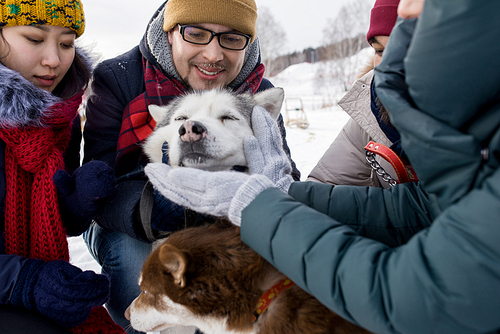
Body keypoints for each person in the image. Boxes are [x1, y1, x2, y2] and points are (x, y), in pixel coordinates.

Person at [144, 0, 500, 332]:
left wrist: (260, 204)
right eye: (378, 49)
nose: (213, 52)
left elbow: (417, 298)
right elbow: (419, 207)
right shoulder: (387, 111)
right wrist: (283, 195)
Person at [82, 0, 300, 331]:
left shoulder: (260, 96)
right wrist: (158, 210)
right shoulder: (118, 79)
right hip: (129, 219)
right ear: (170, 34)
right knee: (134, 258)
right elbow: (96, 190)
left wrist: (247, 187)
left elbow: (286, 177)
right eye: (196, 34)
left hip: (227, 220)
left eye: (231, 38)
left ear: (248, 42)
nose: (213, 55)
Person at [0, 0, 123, 333]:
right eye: (34, 39)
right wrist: (25, 280)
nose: (54, 60)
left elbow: (50, 220)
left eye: (67, 43)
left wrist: (76, 203)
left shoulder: (61, 120)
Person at [307, 0, 405, 188]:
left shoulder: (477, 123)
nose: (386, 65)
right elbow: (320, 189)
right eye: (380, 50)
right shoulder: (372, 112)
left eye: (402, 48)